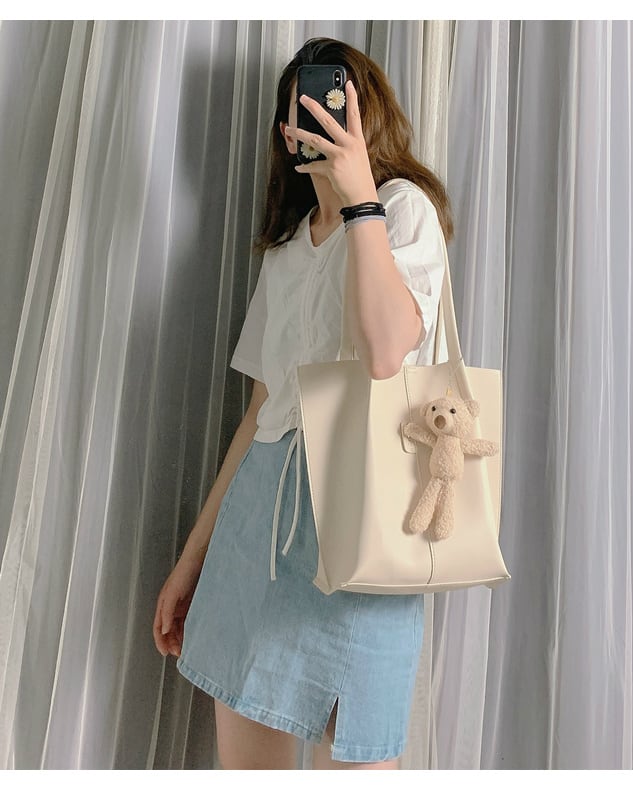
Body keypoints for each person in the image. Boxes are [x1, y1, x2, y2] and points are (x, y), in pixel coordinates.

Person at [152, 36, 453, 770]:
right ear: (286, 135)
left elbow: (386, 354)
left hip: (361, 530)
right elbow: (261, 412)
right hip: (258, 529)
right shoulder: (286, 251)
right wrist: (191, 562)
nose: (313, 121)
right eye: (300, 111)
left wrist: (359, 199)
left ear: (364, 115)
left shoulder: (403, 211)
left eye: (331, 104)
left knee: (361, 754)